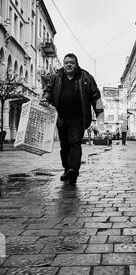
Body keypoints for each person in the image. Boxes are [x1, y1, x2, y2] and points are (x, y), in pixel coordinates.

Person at [40, 53, 103, 185]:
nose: (69, 64)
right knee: (65, 145)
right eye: (66, 62)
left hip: (79, 118)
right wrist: (46, 98)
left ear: (76, 64)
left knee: (75, 143)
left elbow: (96, 96)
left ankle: (73, 170)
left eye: (71, 62)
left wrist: (100, 114)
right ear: (63, 64)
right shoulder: (57, 76)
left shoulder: (86, 77)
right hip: (61, 118)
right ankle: (67, 168)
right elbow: (49, 90)